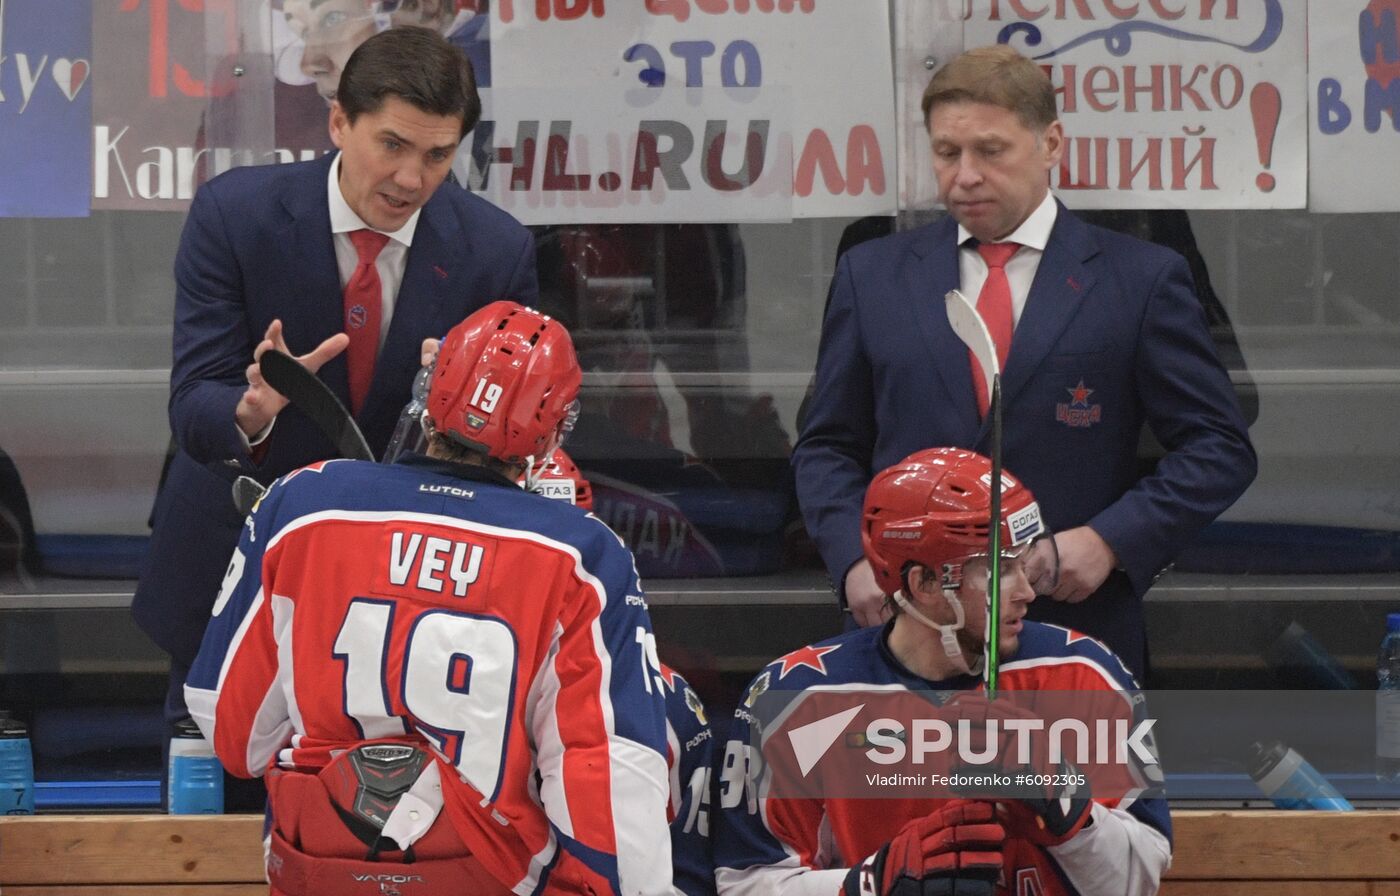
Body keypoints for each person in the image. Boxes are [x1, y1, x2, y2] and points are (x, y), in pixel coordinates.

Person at [132, 26, 538, 758]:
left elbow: (517, 453)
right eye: (391, 144)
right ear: (338, 122)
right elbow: (194, 400)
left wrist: (462, 409)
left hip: (408, 605)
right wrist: (248, 413)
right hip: (234, 574)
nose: (411, 178)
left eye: (437, 155)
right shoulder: (236, 214)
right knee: (211, 826)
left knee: (369, 840)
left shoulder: (495, 250)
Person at [791, 44, 1256, 679]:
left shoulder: (1139, 279)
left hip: (1070, 630)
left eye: (991, 150)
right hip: (903, 635)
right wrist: (852, 560)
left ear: (1051, 144)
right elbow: (826, 445)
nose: (965, 175)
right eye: (947, 153)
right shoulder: (872, 275)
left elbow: (1218, 446)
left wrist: (1108, 541)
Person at [185, 302, 675, 895]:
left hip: (316, 867)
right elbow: (612, 795)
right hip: (484, 875)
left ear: (433, 385)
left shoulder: (304, 503)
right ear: (553, 428)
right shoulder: (581, 556)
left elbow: (233, 734)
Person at [714, 448, 1172, 896]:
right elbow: (749, 882)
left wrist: (1070, 807)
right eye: (998, 570)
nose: (1026, 591)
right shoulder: (796, 699)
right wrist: (871, 883)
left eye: (1023, 563)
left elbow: (1140, 878)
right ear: (923, 584)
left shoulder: (1084, 673)